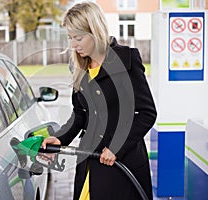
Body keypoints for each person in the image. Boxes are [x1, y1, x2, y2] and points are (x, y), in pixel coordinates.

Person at [41, 1, 157, 200]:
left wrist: (115, 147)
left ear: (95, 31)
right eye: (70, 38)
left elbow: (147, 114)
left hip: (121, 164)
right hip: (89, 161)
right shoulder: (79, 68)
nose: (73, 45)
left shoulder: (127, 60)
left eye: (78, 38)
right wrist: (60, 138)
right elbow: (80, 114)